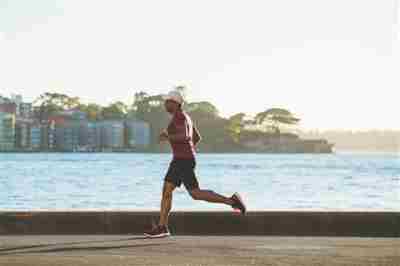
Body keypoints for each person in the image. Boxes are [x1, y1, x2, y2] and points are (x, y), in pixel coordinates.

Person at [144, 90, 246, 238]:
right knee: (169, 191)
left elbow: (186, 137)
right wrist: (187, 150)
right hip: (182, 159)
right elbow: (196, 137)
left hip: (182, 160)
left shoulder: (179, 117)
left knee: (194, 193)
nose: (165, 104)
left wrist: (168, 136)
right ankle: (162, 226)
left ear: (175, 103)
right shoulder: (186, 117)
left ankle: (232, 201)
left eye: (167, 101)